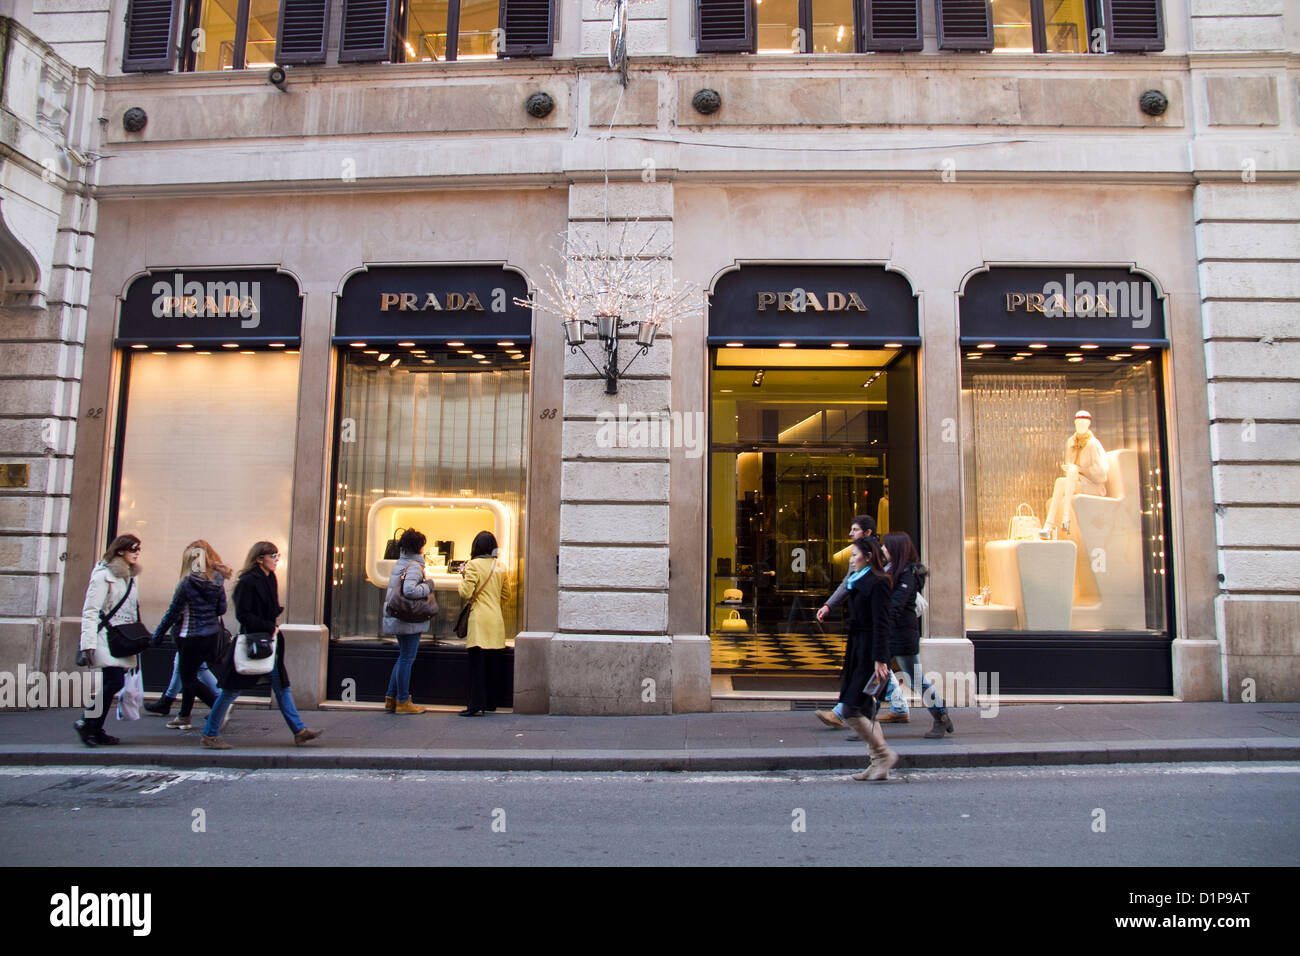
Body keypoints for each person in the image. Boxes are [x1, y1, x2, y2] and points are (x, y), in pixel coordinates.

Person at [199, 542, 321, 749]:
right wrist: (267, 625)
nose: (276, 559)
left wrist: (273, 620)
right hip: (254, 642)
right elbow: (243, 615)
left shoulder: (270, 579)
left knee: (282, 687)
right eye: (272, 556)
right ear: (259, 558)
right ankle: (210, 734)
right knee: (231, 691)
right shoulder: (248, 582)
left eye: (277, 555)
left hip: (268, 641)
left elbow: (269, 607)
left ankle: (299, 730)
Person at [813, 515, 908, 728]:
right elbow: (848, 584)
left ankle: (846, 714)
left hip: (870, 638)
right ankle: (886, 714)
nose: (850, 558)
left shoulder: (875, 577)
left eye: (854, 529)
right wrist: (829, 605)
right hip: (860, 638)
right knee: (871, 676)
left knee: (869, 677)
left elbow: (880, 620)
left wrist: (881, 656)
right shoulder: (859, 575)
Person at [882, 532, 954, 739]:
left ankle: (940, 715)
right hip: (895, 632)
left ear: (895, 549)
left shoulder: (906, 574)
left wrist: (882, 624)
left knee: (915, 680)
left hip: (902, 634)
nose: (883, 550)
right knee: (878, 676)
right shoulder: (894, 570)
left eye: (886, 547)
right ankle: (866, 723)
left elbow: (896, 604)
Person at [74, 534, 145, 746]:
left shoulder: (130, 577)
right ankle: (87, 722)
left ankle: (94, 728)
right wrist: (87, 644)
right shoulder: (103, 575)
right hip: (104, 636)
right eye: (133, 548)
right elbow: (90, 610)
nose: (137, 552)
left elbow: (132, 609)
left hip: (121, 637)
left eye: (139, 549)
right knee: (114, 681)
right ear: (120, 550)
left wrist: (137, 636)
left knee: (111, 682)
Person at [839, 534, 899, 781]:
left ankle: (883, 755)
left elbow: (882, 624)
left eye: (854, 555)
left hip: (870, 653)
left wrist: (880, 660)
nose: (851, 559)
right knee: (864, 708)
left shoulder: (879, 582)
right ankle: (876, 763)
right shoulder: (857, 580)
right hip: (856, 649)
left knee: (850, 708)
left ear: (868, 557)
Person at [150, 540, 228, 730]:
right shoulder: (217, 580)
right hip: (210, 636)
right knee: (191, 675)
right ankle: (184, 716)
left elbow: (172, 612)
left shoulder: (186, 583)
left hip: (190, 636)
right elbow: (222, 609)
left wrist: (158, 634)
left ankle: (218, 708)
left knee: (189, 679)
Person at [382, 528, 436, 715]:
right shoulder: (414, 566)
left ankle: (391, 698)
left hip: (399, 617)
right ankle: (403, 701)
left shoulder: (401, 563)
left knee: (402, 657)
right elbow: (410, 590)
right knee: (407, 659)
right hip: (408, 619)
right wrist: (428, 586)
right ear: (418, 547)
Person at [457, 530, 508, 717]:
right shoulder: (500, 566)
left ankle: (475, 704)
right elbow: (506, 595)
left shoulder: (472, 565)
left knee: (477, 665)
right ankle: (491, 702)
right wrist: (493, 604)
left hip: (479, 619)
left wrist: (461, 577)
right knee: (493, 664)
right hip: (495, 619)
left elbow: (466, 593)